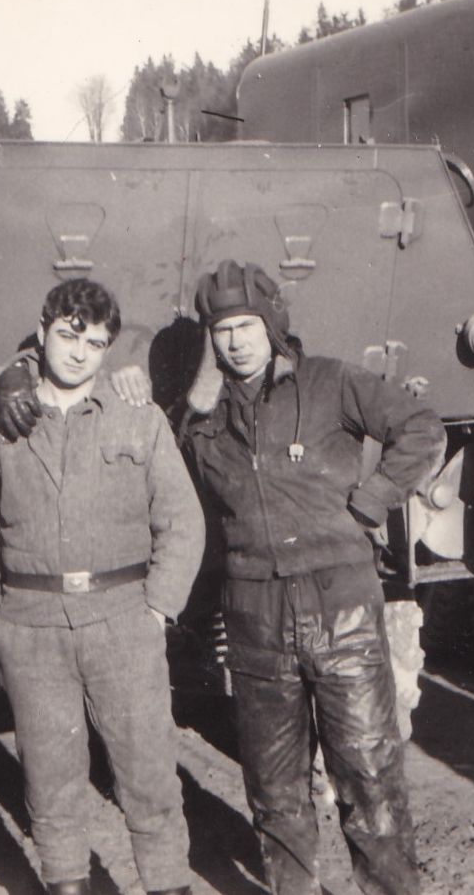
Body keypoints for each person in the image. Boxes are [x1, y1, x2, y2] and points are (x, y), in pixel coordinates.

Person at [179, 259, 445, 895]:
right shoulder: (204, 414)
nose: (236, 342)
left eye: (246, 326)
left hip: (341, 608)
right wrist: (194, 401)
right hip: (255, 616)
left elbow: (421, 428)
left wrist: (372, 501)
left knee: (369, 778)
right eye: (221, 331)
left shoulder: (331, 382)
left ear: (272, 325)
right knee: (274, 787)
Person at [0, 278, 204, 895]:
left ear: (107, 350)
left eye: (94, 344)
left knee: (148, 776)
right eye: (68, 336)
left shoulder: (138, 419)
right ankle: (66, 882)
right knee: (51, 780)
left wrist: (157, 610)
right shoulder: (1, 424)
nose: (79, 353)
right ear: (41, 332)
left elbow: (182, 521)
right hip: (31, 627)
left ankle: (168, 883)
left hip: (123, 620)